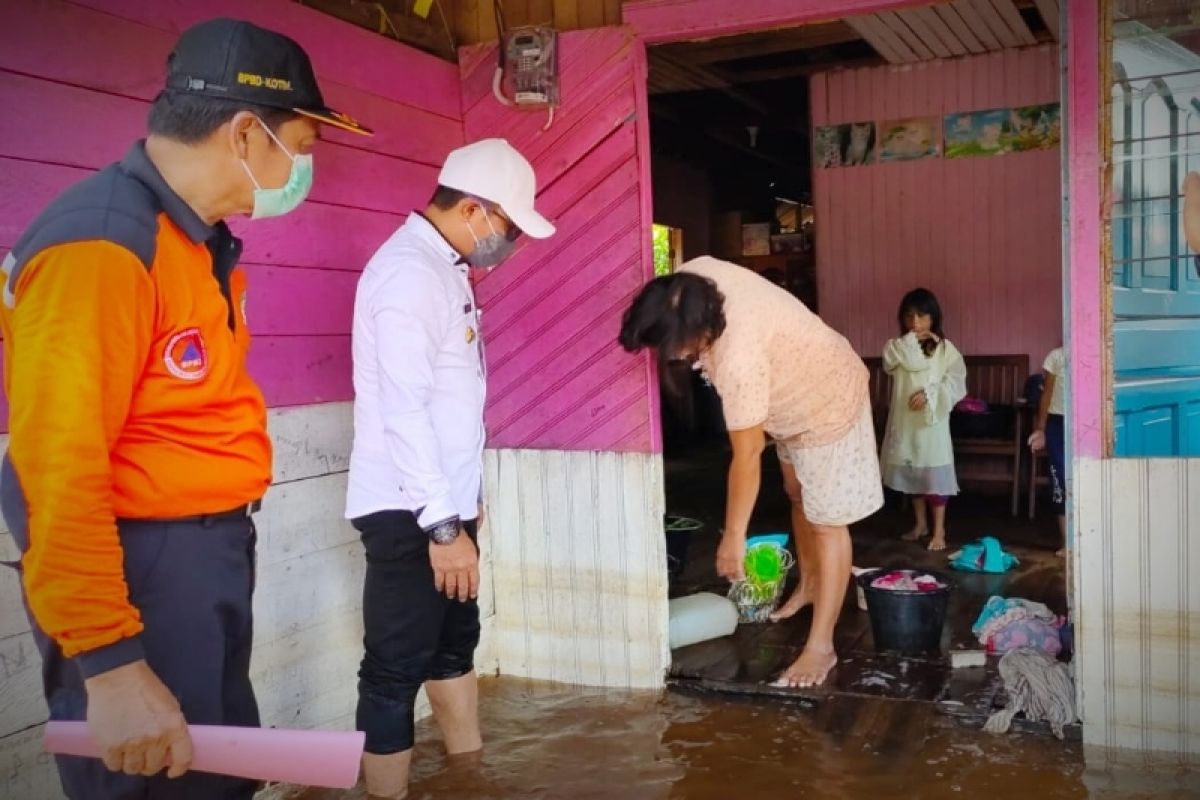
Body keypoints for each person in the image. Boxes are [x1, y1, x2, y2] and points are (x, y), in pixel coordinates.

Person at [0, 18, 370, 799]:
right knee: (157, 781)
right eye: (300, 144)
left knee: (215, 779)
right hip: (143, 573)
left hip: (200, 558)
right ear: (246, 133)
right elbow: (53, 472)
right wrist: (110, 663)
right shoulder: (101, 246)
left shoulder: (192, 240)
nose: (304, 166)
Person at [346, 138, 555, 799]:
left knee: (453, 643)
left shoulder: (444, 268)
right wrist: (442, 527)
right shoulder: (408, 275)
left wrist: (467, 503)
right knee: (393, 669)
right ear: (472, 209)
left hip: (445, 505)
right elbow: (403, 413)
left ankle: (471, 776)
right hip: (409, 510)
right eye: (509, 226)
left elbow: (451, 407)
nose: (511, 241)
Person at [619, 257, 882, 689]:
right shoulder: (693, 276)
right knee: (798, 493)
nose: (675, 357)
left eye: (674, 349)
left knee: (827, 519)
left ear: (695, 333)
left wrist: (733, 535)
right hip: (788, 393)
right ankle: (812, 585)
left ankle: (822, 647)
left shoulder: (738, 358)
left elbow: (747, 454)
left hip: (827, 395)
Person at [880, 288, 967, 552]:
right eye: (909, 317)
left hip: (932, 422)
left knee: (933, 474)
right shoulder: (896, 347)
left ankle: (939, 530)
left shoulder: (944, 349)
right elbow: (889, 364)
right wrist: (909, 341)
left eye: (922, 316)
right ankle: (920, 524)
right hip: (906, 420)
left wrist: (930, 395)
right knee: (912, 471)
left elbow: (955, 381)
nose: (915, 323)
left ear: (933, 317)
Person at [1028, 346, 1067, 557]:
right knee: (1059, 478)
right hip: (1057, 424)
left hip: (1086, 422)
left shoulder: (1095, 353)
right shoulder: (1056, 357)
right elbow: (1047, 395)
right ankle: (1067, 542)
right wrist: (1041, 429)